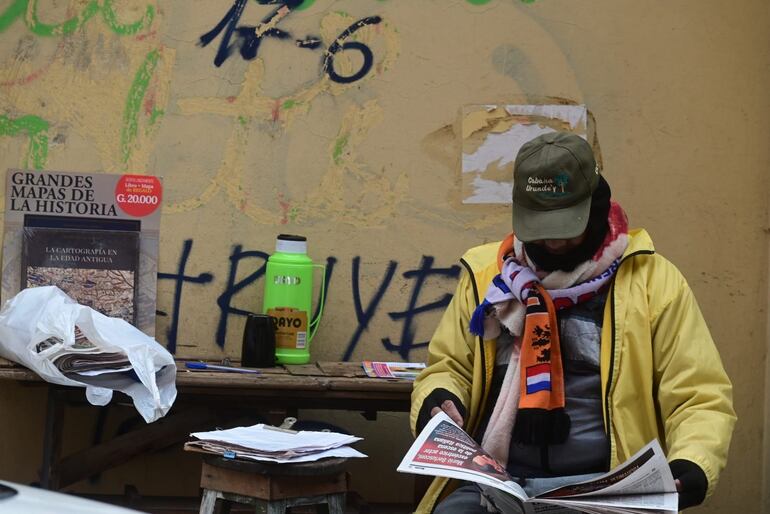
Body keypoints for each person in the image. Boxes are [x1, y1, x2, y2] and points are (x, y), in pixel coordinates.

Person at [410, 132, 736, 513]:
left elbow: (699, 395)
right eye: (540, 229)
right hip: (497, 483)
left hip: (605, 490)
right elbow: (448, 367)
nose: (553, 243)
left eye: (566, 228)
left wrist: (693, 461)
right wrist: (439, 399)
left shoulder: (653, 283)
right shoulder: (486, 278)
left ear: (596, 208)